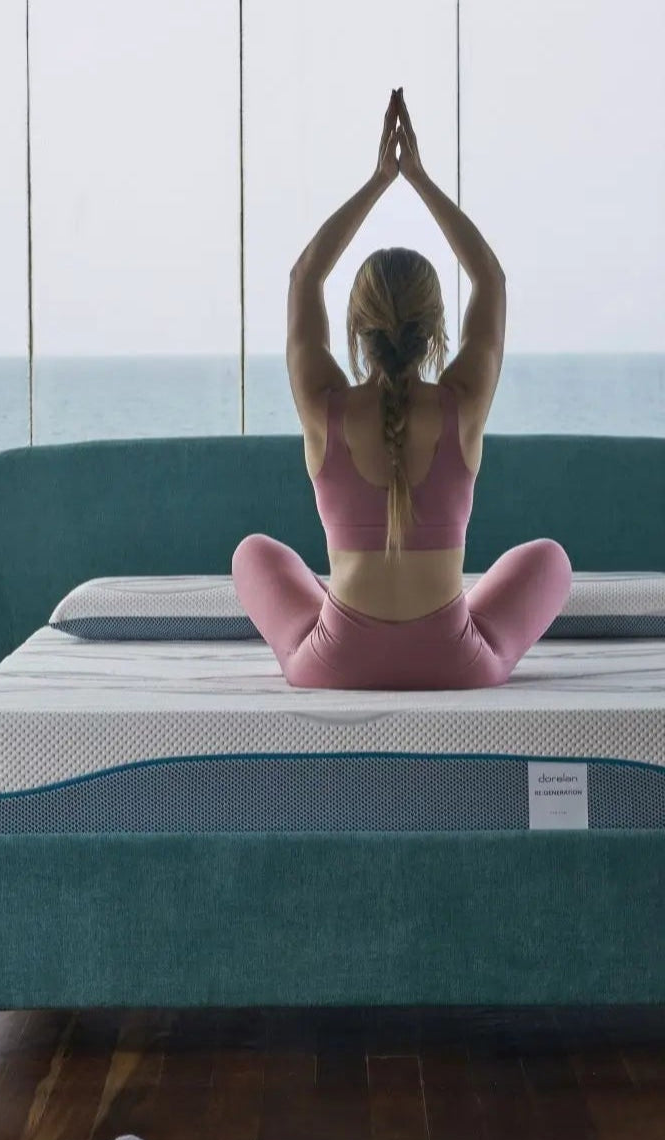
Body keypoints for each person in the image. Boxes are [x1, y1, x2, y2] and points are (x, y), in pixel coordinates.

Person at [232, 88, 571, 690]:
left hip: (335, 666)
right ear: (439, 327)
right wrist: (418, 178)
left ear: (356, 328)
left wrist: (379, 180)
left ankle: (322, 621)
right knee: (549, 559)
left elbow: (304, 276)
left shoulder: (323, 409)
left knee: (253, 554)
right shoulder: (462, 406)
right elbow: (489, 278)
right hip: (454, 664)